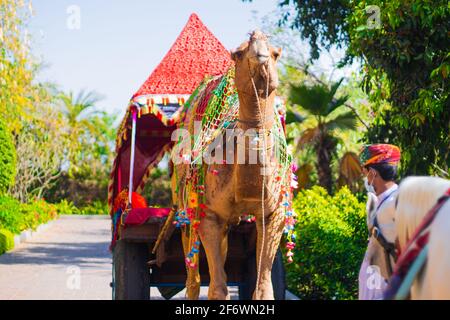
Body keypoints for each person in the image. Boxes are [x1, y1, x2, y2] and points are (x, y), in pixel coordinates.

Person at [358, 143, 401, 300]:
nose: (365, 178)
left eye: (365, 172)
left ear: (373, 173)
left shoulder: (394, 204)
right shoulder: (384, 201)